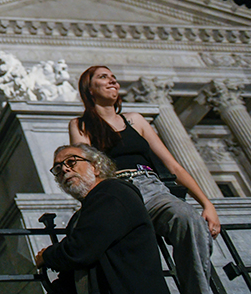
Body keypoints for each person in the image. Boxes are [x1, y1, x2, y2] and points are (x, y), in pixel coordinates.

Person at [69, 66, 219, 294]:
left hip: (151, 187)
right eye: (103, 77)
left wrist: (207, 204)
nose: (113, 81)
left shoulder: (135, 120)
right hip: (117, 193)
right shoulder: (80, 125)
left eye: (114, 77)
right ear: (89, 90)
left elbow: (174, 165)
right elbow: (85, 170)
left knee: (188, 218)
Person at [35, 144, 170, 294]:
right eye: (58, 169)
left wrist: (47, 256)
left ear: (95, 166)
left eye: (71, 162)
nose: (65, 170)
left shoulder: (113, 193)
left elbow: (80, 249)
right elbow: (77, 268)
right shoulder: (83, 213)